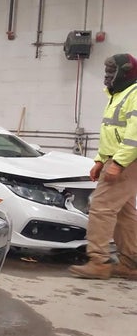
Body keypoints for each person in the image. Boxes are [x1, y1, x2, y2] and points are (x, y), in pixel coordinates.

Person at [70, 53, 137, 280]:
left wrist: (118, 163)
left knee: (100, 207)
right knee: (125, 213)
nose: (107, 77)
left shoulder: (134, 94)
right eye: (106, 72)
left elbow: (134, 136)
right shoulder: (118, 95)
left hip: (127, 160)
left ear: (126, 72)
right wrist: (100, 160)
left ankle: (98, 261)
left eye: (111, 72)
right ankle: (131, 264)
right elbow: (111, 133)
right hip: (118, 158)